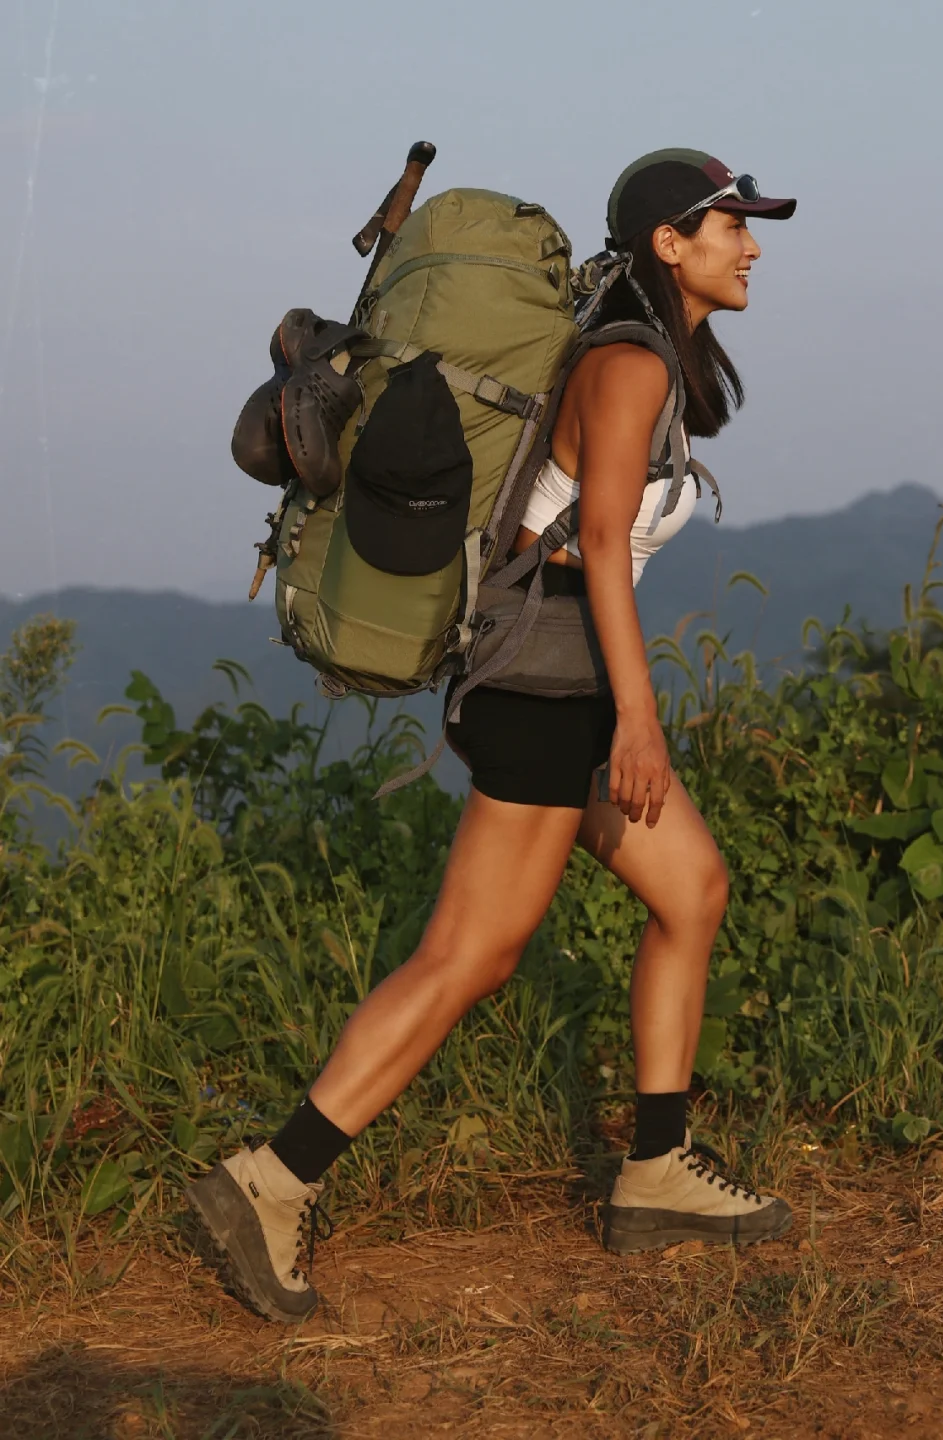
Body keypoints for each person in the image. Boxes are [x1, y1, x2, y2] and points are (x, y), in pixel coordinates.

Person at [188, 149, 798, 1324]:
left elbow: (585, 544)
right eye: (733, 226)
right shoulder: (625, 366)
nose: (753, 246)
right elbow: (604, 549)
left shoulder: (649, 361)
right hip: (545, 689)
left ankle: (658, 1168)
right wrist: (642, 723)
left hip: (563, 678)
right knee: (468, 957)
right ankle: (269, 1180)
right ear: (669, 243)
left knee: (695, 891)